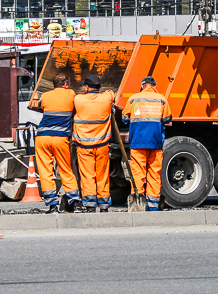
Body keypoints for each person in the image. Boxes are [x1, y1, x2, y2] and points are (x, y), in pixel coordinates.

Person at [28, 73, 81, 213]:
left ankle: (52, 206)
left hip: (42, 137)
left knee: (46, 171)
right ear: (66, 85)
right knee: (65, 169)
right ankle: (75, 202)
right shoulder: (71, 94)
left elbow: (40, 106)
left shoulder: (45, 95)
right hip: (60, 138)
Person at [122, 76, 172, 211]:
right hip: (155, 143)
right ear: (154, 86)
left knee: (138, 174)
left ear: (142, 85)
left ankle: (138, 203)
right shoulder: (162, 99)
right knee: (154, 174)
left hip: (137, 143)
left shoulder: (133, 99)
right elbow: (167, 119)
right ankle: (153, 205)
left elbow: (124, 118)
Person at [73, 74, 115, 212]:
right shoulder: (107, 99)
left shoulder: (79, 100)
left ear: (86, 87)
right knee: (102, 175)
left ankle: (90, 204)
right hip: (102, 145)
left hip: (84, 146)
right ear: (99, 87)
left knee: (87, 175)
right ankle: (104, 205)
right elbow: (111, 93)